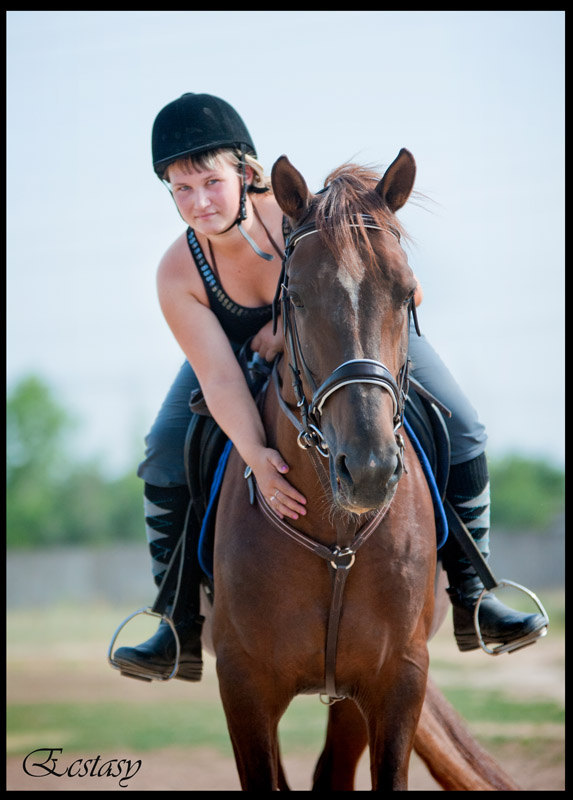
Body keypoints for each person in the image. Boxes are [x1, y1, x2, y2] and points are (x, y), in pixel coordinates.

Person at [112, 92, 546, 682]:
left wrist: (284, 328)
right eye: (180, 190)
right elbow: (216, 374)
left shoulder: (307, 214)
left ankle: (476, 594)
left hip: (354, 342)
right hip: (231, 358)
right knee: (164, 452)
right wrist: (259, 459)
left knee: (463, 424)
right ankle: (176, 621)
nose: (198, 202)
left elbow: (384, 283)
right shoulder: (178, 272)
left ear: (246, 171)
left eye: (209, 182)